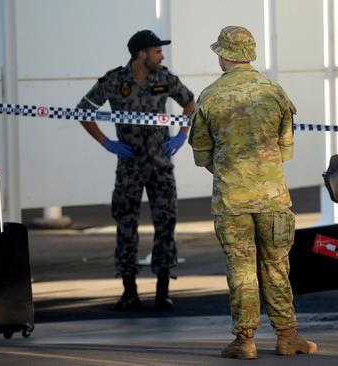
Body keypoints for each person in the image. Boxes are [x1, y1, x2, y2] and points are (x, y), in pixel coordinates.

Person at [189, 26, 317, 359]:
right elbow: (286, 150)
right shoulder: (275, 92)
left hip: (232, 200)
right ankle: (288, 336)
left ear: (223, 55)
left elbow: (202, 156)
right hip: (273, 198)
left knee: (241, 269)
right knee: (277, 266)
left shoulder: (209, 96)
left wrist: (231, 171)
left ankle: (245, 341)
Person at [77, 30, 195, 311]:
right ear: (141, 54)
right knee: (126, 226)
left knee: (165, 226)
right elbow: (84, 110)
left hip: (160, 166)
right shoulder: (114, 80)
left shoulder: (165, 77)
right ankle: (129, 290)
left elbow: (190, 102)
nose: (161, 55)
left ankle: (162, 291)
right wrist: (106, 142)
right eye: (156, 51)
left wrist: (182, 134)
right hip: (129, 166)